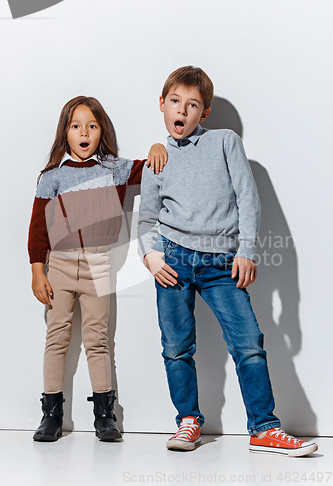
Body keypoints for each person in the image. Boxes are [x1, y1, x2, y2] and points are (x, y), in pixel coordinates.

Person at [138, 66, 318, 457]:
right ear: (162, 104)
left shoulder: (225, 142)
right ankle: (188, 421)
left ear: (203, 113)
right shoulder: (157, 158)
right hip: (172, 261)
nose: (181, 110)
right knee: (175, 347)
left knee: (248, 344)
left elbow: (246, 197)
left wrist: (247, 250)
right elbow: (147, 217)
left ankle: (264, 428)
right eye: (174, 101)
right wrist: (151, 255)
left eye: (192, 104)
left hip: (221, 262)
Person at [28, 96, 167, 442]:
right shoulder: (52, 178)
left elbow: (148, 167)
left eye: (92, 125)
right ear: (65, 133)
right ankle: (51, 414)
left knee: (98, 339)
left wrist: (155, 146)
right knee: (56, 337)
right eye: (76, 126)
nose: (84, 132)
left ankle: (105, 414)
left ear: (101, 130)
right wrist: (37, 270)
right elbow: (37, 228)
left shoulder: (114, 169)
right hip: (58, 265)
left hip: (98, 265)